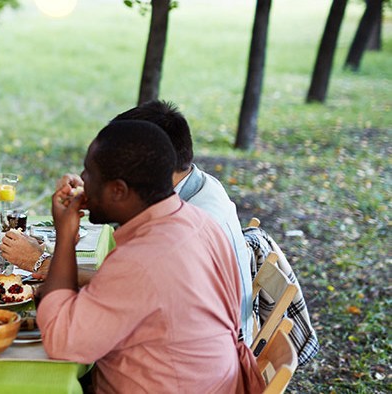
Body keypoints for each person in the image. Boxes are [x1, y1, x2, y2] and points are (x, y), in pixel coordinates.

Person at [2, 100, 255, 346]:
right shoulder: (196, 201)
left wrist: (58, 245)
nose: (81, 179)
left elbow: (60, 338)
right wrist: (101, 194)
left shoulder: (158, 248)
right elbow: (131, 285)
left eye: (90, 172)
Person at [36, 120, 264, 392]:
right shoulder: (199, 221)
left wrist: (65, 236)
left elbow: (62, 343)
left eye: (89, 173)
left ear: (118, 190)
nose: (82, 181)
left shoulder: (141, 260)